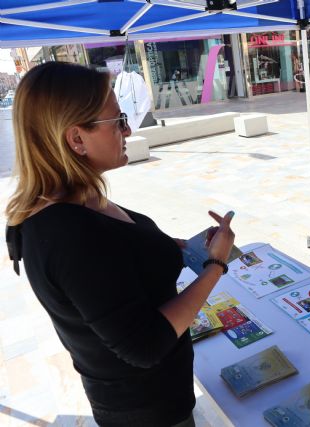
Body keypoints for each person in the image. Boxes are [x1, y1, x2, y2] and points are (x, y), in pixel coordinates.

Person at [4, 62, 235, 426]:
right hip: (147, 411)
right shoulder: (68, 234)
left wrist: (175, 247)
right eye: (118, 121)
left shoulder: (78, 198)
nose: (128, 129)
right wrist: (215, 266)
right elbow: (145, 345)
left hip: (158, 393)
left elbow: (119, 259)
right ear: (76, 139)